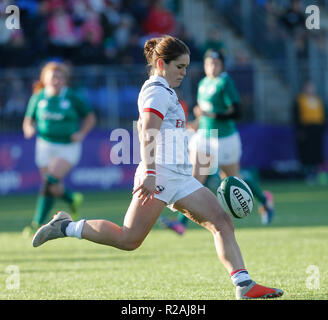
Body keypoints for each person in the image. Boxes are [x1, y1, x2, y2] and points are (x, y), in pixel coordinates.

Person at [31, 36, 283, 300]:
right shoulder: (156, 90)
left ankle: (243, 284)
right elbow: (147, 132)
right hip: (160, 174)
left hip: (179, 176)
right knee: (128, 239)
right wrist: (150, 173)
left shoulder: (165, 90)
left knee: (221, 221)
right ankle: (65, 226)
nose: (185, 73)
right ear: (161, 63)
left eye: (186, 67)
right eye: (180, 67)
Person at [188, 49, 275, 226]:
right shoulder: (203, 83)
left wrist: (209, 115)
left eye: (216, 63)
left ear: (222, 65)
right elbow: (203, 113)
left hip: (225, 138)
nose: (212, 67)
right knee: (196, 179)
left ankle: (265, 201)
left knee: (232, 181)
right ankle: (182, 223)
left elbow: (236, 112)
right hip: (205, 136)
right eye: (208, 63)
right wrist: (196, 123)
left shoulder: (225, 82)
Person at [22, 61, 96, 236]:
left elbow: (90, 117)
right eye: (53, 77)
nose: (56, 80)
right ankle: (72, 198)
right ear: (44, 79)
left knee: (49, 181)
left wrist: (81, 134)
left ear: (64, 80)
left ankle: (36, 223)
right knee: (51, 187)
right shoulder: (38, 97)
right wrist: (29, 129)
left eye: (60, 77)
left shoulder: (72, 97)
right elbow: (28, 120)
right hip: (45, 145)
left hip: (67, 147)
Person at [293, 81, 326, 183]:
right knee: (306, 152)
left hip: (317, 129)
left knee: (317, 152)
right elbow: (296, 115)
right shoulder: (300, 100)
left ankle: (316, 173)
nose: (310, 89)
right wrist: (300, 130)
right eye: (308, 87)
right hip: (306, 129)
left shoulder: (318, 100)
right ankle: (307, 173)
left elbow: (323, 114)